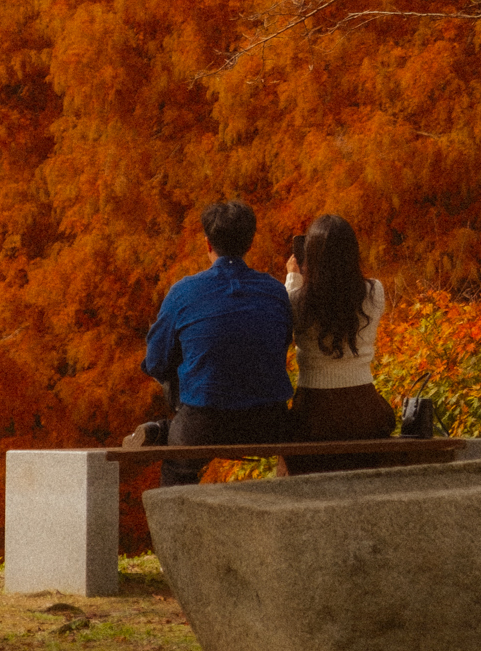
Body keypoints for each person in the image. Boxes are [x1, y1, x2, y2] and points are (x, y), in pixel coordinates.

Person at [144, 200, 294, 486]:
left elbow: (155, 363)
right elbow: (283, 343)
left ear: (207, 243)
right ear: (250, 244)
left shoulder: (183, 292)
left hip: (203, 423)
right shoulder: (275, 291)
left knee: (177, 470)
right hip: (270, 422)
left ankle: (171, 432)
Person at [283, 214, 394, 474]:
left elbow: (287, 319)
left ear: (309, 255)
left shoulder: (297, 301)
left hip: (313, 413)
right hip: (365, 412)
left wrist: (293, 279)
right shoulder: (374, 291)